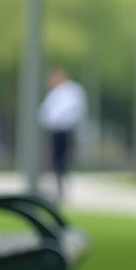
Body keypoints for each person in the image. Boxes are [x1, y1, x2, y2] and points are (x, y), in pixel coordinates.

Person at [39, 68, 88, 200]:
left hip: (65, 130)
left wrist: (55, 119)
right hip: (54, 130)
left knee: (62, 159)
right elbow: (45, 111)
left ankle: (62, 187)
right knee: (55, 159)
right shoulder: (55, 93)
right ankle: (57, 186)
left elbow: (70, 111)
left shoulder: (72, 91)